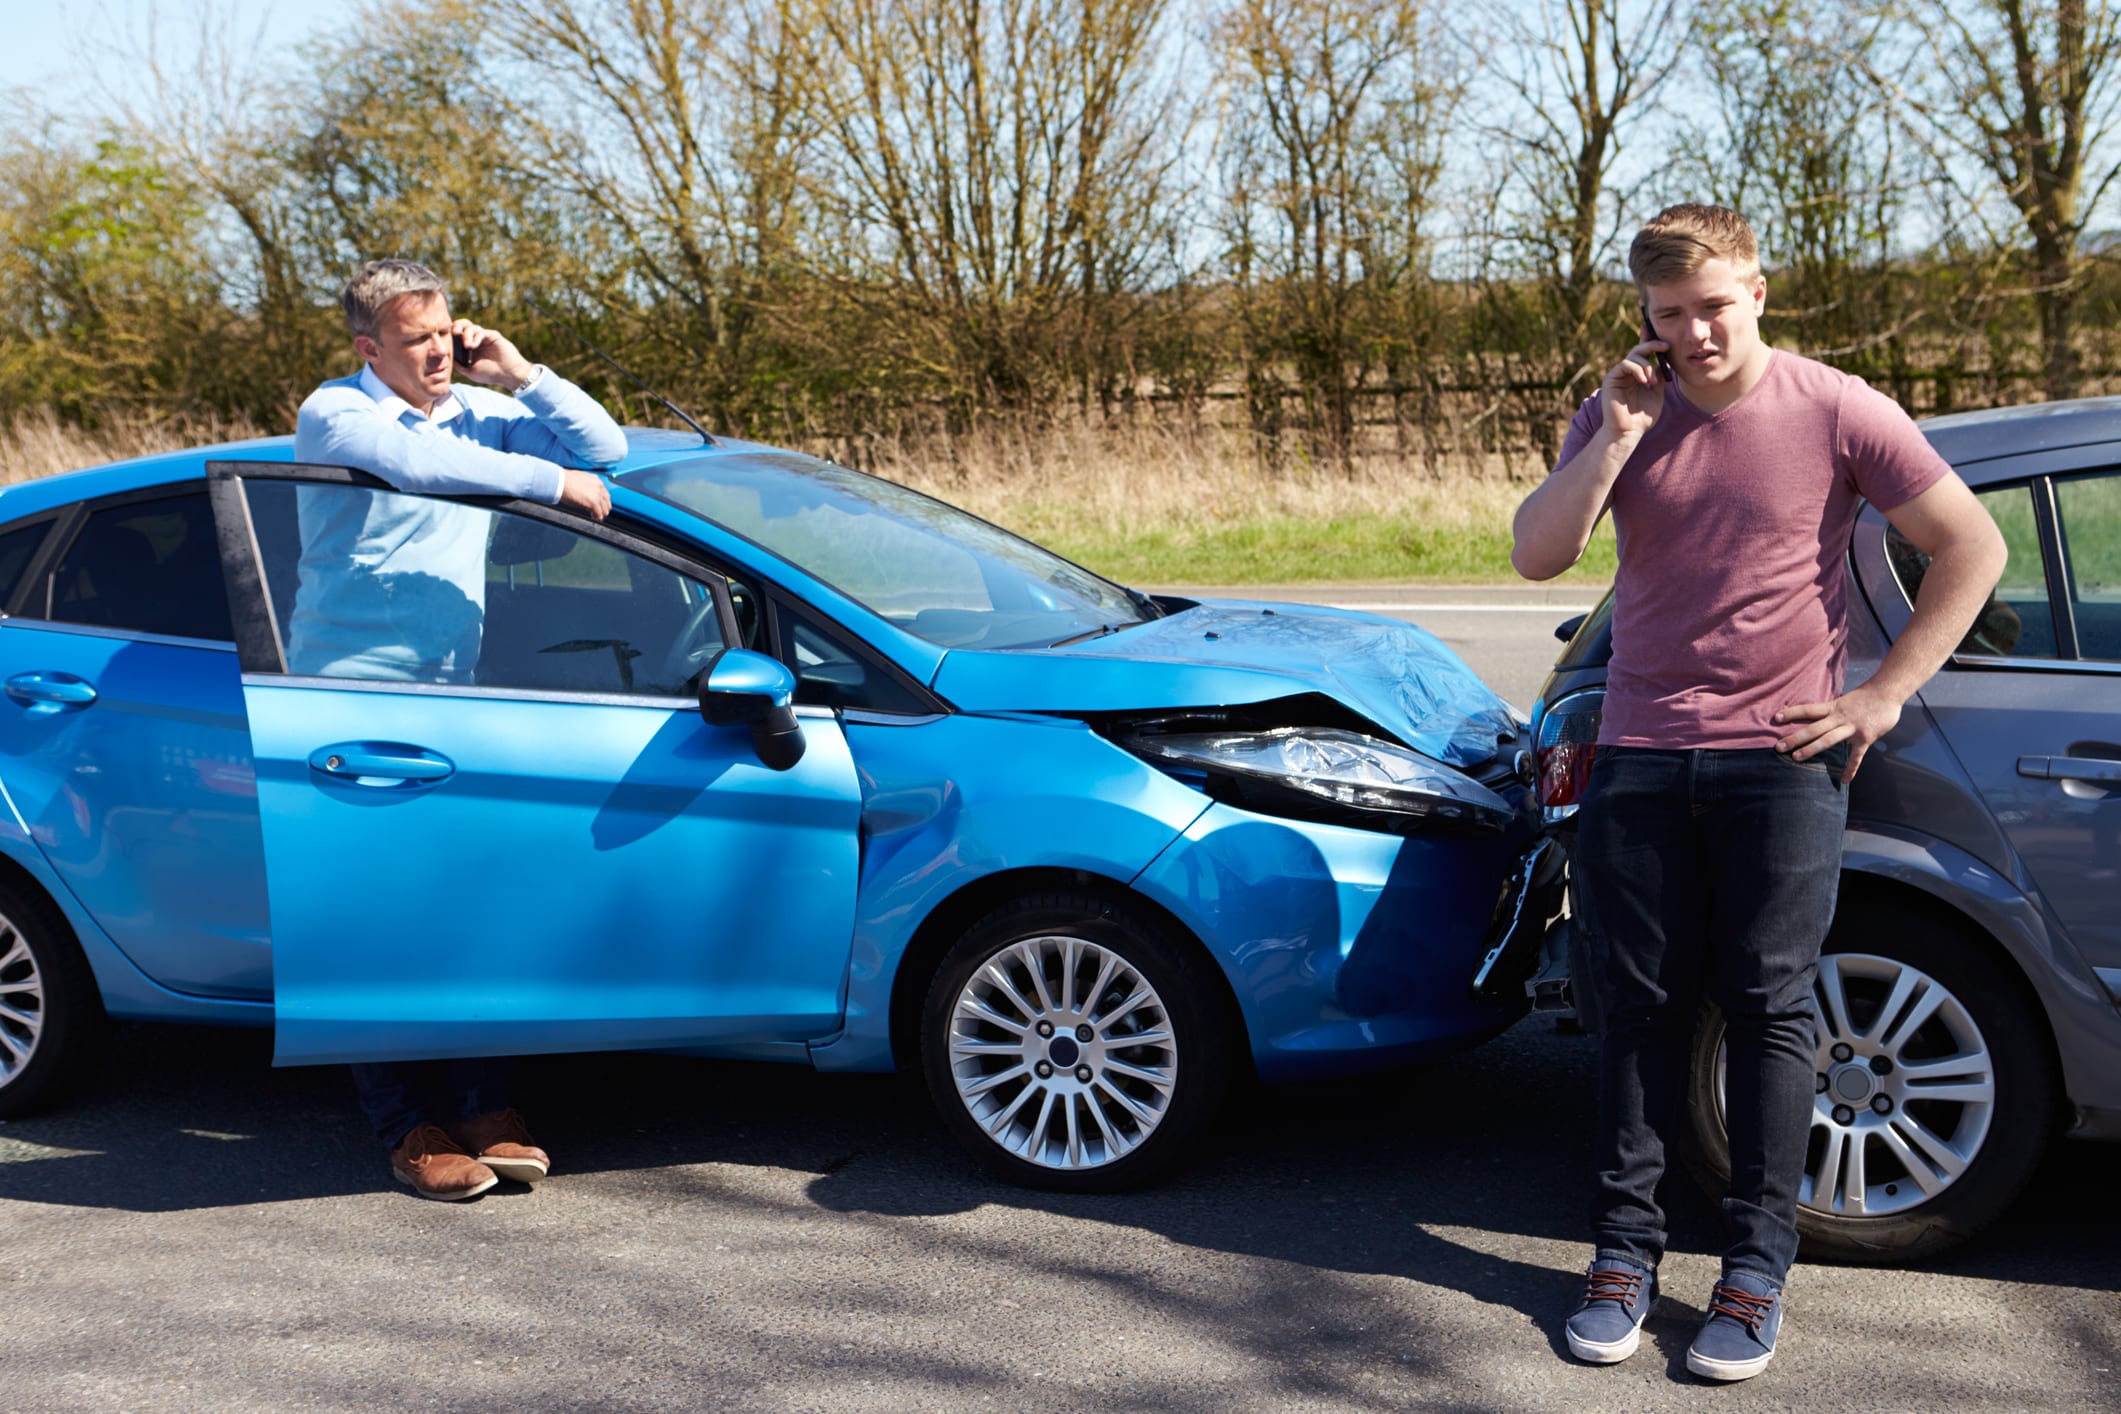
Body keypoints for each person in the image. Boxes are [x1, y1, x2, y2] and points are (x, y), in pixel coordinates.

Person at [1510, 205, 2005, 1381]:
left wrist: (1881, 696)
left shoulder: (1838, 408)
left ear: (1760, 293)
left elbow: (1970, 546)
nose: (1694, 333)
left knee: (1772, 1009)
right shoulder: (1628, 408)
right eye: (1668, 315)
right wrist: (1616, 438)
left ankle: (1752, 1271)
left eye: (1713, 307)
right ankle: (1624, 1258)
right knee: (1634, 1009)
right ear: (1644, 315)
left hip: (1781, 761)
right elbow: (1538, 553)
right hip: (1638, 750)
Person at [293, 258, 629, 1200]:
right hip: (349, 702)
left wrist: (521, 377)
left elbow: (607, 453)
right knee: (378, 919)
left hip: (454, 697)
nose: (437, 353)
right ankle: (406, 1127)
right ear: (369, 348)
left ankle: (483, 1105)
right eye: (414, 341)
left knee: (469, 901)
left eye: (444, 333)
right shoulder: (339, 413)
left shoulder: (476, 414)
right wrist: (549, 483)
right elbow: (416, 465)